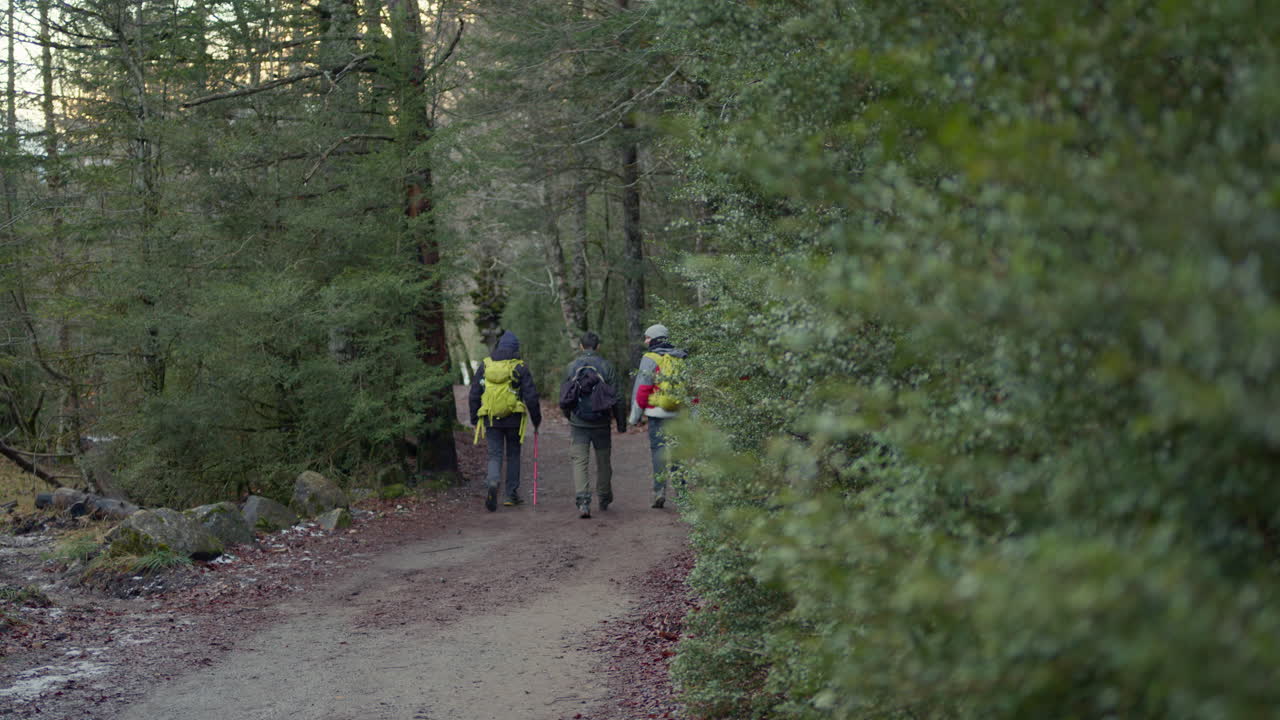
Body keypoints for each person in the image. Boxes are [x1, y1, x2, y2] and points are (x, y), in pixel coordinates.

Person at [469, 330, 542, 512]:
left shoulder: (485, 366)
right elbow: (531, 396)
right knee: (513, 455)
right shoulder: (520, 367)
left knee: (495, 454)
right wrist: (536, 419)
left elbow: (474, 394)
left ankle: (493, 482)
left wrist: (474, 417)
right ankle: (510, 495)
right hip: (514, 419)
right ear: (516, 349)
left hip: (491, 418)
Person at [561, 331, 627, 519]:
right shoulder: (607, 366)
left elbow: (564, 396)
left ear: (581, 346)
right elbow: (618, 397)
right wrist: (620, 423)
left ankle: (583, 502)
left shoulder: (571, 367)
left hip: (579, 422)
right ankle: (604, 497)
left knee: (580, 461)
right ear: (598, 346)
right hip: (601, 421)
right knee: (603, 460)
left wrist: (570, 416)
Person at [628, 324, 689, 509]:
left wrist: (634, 417)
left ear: (655, 338)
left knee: (658, 451)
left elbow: (642, 389)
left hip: (656, 413)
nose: (646, 341)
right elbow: (692, 389)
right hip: (677, 412)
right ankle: (682, 493)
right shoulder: (681, 356)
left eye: (647, 337)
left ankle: (659, 491)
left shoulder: (649, 358)